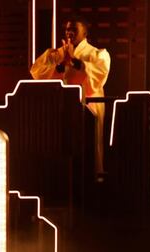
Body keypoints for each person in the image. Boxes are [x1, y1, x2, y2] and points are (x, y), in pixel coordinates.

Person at [30, 17, 111, 174]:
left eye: (74, 29)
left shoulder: (97, 54)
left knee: (88, 146)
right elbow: (37, 72)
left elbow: (98, 76)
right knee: (60, 146)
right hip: (61, 108)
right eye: (67, 29)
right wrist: (61, 65)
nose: (69, 32)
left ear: (85, 32)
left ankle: (92, 179)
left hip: (87, 107)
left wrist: (74, 61)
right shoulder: (56, 54)